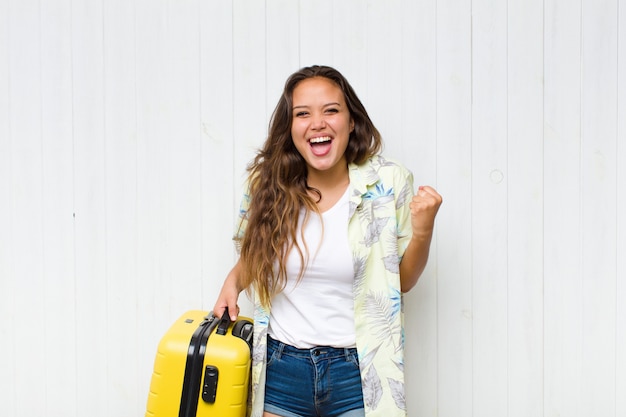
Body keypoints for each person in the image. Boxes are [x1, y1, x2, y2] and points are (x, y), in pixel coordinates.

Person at [213, 65, 442, 417]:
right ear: (290, 129)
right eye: (302, 114)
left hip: (359, 373)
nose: (317, 122)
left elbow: (405, 281)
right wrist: (233, 281)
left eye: (331, 110)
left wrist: (423, 230)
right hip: (281, 368)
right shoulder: (267, 185)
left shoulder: (388, 182)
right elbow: (253, 253)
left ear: (351, 122)